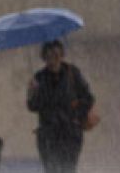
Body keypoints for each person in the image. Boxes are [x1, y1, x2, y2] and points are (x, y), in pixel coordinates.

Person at [25, 40, 94, 173]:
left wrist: (75, 115)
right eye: (49, 55)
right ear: (44, 57)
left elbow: (88, 98)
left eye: (56, 54)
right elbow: (33, 106)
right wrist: (31, 93)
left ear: (62, 55)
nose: (53, 59)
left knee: (68, 169)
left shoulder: (72, 73)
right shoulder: (39, 78)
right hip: (48, 135)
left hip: (70, 134)